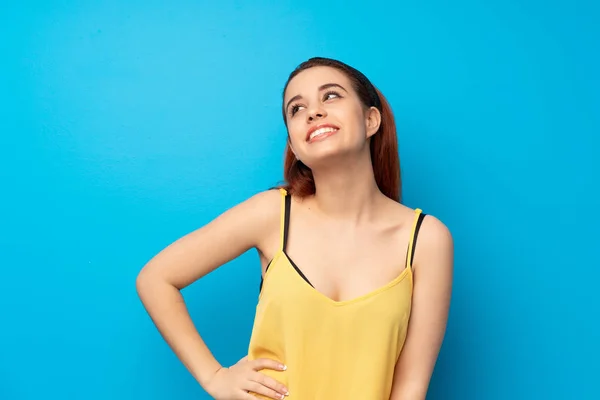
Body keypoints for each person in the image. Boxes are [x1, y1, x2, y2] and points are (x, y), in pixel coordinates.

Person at [136, 57, 454, 400]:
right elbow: (155, 278)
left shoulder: (426, 239)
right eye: (296, 108)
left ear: (370, 119)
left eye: (330, 96)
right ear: (294, 145)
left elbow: (409, 388)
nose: (313, 112)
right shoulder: (272, 213)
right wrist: (215, 377)